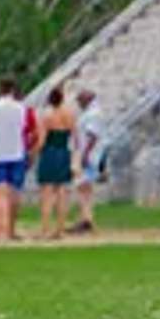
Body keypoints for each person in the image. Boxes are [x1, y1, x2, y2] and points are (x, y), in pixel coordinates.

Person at [29, 87, 76, 238]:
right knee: (62, 191)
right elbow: (74, 136)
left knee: (47, 192)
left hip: (50, 152)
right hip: (63, 152)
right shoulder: (69, 114)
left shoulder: (46, 116)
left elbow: (42, 140)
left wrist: (33, 154)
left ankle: (45, 227)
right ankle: (60, 228)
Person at [0, 79, 24, 245]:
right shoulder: (20, 108)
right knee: (13, 192)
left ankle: (0, 230)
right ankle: (10, 229)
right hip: (15, 152)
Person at [65, 88, 99, 240]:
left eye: (80, 100)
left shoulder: (94, 114)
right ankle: (86, 218)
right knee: (85, 188)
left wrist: (85, 154)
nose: (79, 103)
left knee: (82, 187)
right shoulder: (89, 114)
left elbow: (93, 136)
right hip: (85, 152)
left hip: (86, 154)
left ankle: (85, 219)